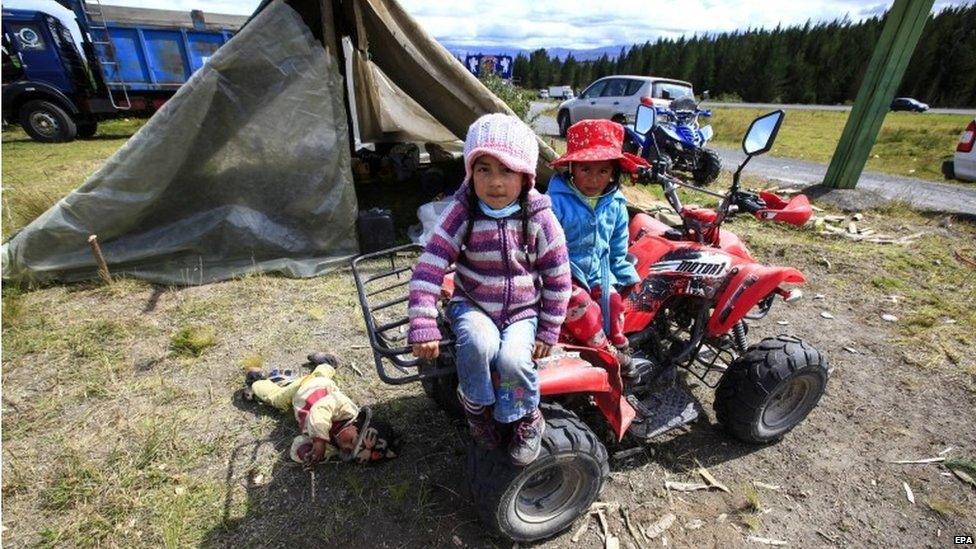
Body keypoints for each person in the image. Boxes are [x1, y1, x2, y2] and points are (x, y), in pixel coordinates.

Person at [408, 113, 571, 466]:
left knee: (514, 360)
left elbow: (558, 275)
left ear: (526, 174)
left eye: (507, 170)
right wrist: (422, 320)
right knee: (478, 345)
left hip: (523, 310)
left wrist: (548, 327)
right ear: (470, 171)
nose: (495, 182)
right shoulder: (462, 211)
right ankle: (478, 410)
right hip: (473, 304)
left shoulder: (539, 216)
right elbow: (430, 264)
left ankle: (525, 415)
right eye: (484, 169)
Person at [547, 119, 648, 381]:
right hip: (563, 272)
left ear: (613, 172)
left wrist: (623, 271)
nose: (593, 179)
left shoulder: (615, 204)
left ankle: (618, 341)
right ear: (571, 168)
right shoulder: (554, 202)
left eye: (602, 171)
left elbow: (617, 243)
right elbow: (544, 245)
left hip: (596, 270)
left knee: (613, 301)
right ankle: (606, 351)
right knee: (580, 305)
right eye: (585, 169)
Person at [244, 354, 399, 465]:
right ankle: (256, 380)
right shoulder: (347, 411)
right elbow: (320, 409)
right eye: (352, 441)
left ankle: (326, 363)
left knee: (319, 374)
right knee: (277, 398)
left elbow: (298, 443)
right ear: (357, 424)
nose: (346, 446)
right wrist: (319, 441)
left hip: (302, 394)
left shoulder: (331, 447)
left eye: (349, 451)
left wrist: (307, 453)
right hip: (310, 387)